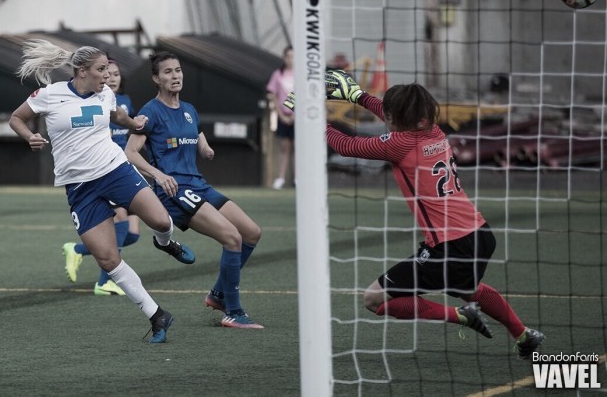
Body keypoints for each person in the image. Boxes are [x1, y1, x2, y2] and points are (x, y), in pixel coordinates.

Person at [285, 70, 545, 359]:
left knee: (374, 299)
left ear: (396, 118)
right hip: (480, 235)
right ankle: (524, 335)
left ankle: (460, 316)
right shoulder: (435, 130)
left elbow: (346, 145)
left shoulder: (400, 144)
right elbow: (393, 113)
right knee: (470, 288)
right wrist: (357, 96)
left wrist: (310, 115)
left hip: (450, 246)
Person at [9, 39, 195, 343]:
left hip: (115, 170)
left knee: (162, 222)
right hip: (79, 187)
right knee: (108, 260)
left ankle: (165, 243)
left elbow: (117, 116)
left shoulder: (105, 94)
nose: (107, 77)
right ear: (82, 72)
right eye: (101, 70)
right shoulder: (49, 95)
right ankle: (157, 315)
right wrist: (29, 135)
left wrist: (134, 122)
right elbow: (16, 118)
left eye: (108, 70)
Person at [125, 51, 264, 329]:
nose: (175, 76)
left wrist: (205, 148)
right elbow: (130, 152)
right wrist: (158, 174)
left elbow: (196, 132)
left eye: (178, 71)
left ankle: (217, 295)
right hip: (175, 191)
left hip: (199, 185)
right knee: (232, 238)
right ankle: (233, 312)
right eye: (167, 72)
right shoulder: (149, 112)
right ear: (156, 78)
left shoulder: (189, 109)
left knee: (251, 232)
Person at [61, 59, 148, 296]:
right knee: (119, 222)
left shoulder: (126, 102)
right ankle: (104, 282)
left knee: (132, 235)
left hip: (127, 168)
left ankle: (78, 249)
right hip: (107, 171)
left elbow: (132, 132)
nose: (112, 77)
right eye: (107, 74)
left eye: (117, 74)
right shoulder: (96, 100)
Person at [266, 45, 294, 190]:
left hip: (297, 117)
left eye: (293, 56)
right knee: (284, 147)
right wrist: (282, 115)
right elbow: (273, 96)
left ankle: (298, 178)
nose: (291, 60)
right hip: (283, 116)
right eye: (288, 56)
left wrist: (295, 115)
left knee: (297, 148)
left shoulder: (301, 75)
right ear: (284, 58)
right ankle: (281, 178)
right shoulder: (278, 74)